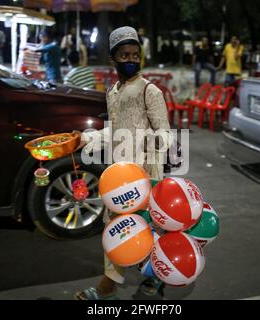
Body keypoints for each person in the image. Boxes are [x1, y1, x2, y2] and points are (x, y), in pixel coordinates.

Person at [74, 26, 173, 301]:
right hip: (118, 175)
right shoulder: (113, 92)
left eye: (135, 54)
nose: (130, 59)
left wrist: (142, 144)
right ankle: (111, 283)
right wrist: (84, 138)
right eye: (124, 55)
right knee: (115, 226)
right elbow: (115, 131)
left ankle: (152, 279)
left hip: (145, 173)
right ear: (113, 60)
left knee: (149, 227)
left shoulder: (149, 91)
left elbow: (165, 135)